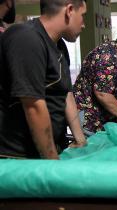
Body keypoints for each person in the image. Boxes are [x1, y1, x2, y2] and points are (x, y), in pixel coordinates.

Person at [0, 0, 87, 159]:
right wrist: (52, 162)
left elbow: (66, 94)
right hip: (18, 156)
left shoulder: (59, 45)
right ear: (69, 10)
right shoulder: (26, 38)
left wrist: (80, 139)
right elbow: (33, 106)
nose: (84, 24)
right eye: (83, 16)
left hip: (51, 149)